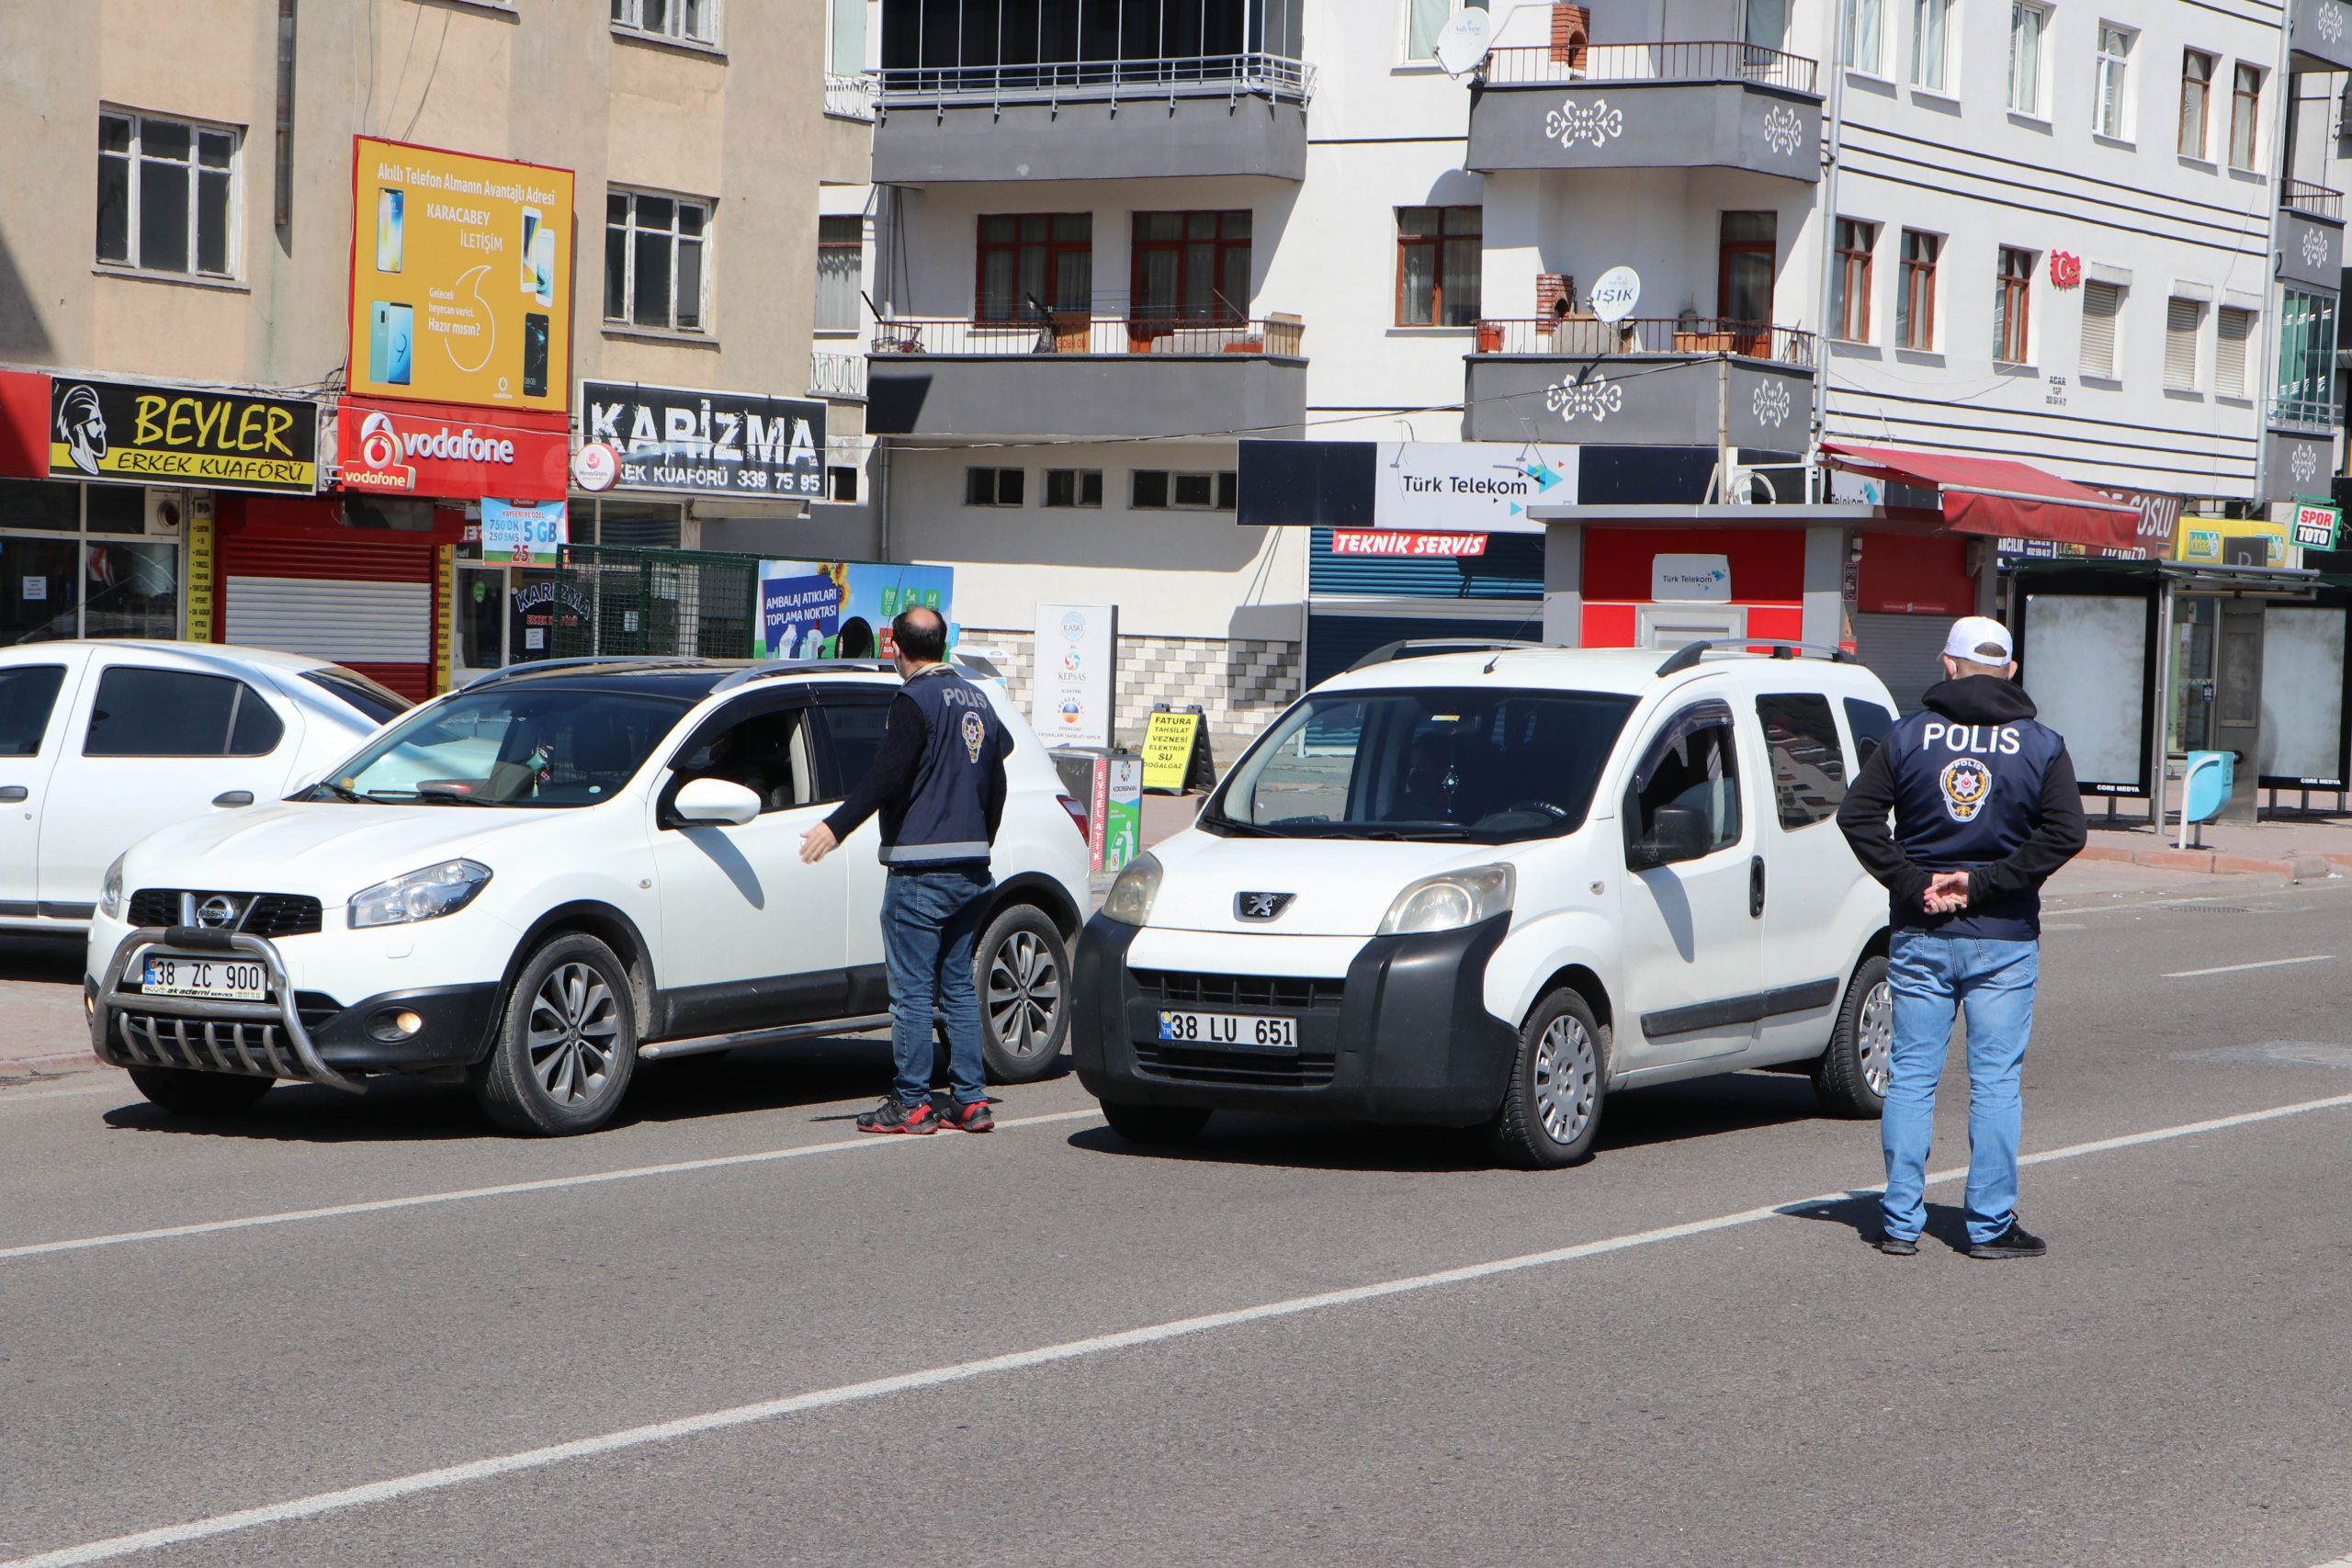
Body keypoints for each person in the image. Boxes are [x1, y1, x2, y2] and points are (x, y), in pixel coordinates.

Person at [1835, 615, 2086, 1260]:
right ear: (2010, 671)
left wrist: (1913, 879)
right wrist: (1984, 885)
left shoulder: (1907, 737)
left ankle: (1898, 1221)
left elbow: (1856, 815)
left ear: (1947, 666)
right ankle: (1989, 1225)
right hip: (2003, 934)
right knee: (1995, 1081)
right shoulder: (2042, 744)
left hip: (1921, 929)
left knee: (1913, 1074)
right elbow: (2065, 833)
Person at [801, 607, 1010, 1135]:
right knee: (958, 987)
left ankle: (912, 1101)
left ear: (897, 646)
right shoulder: (978, 698)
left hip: (920, 868)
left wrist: (835, 826)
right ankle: (970, 1100)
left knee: (913, 992)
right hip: (971, 866)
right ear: (941, 643)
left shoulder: (913, 700)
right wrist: (983, 835)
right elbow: (997, 772)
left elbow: (886, 776)